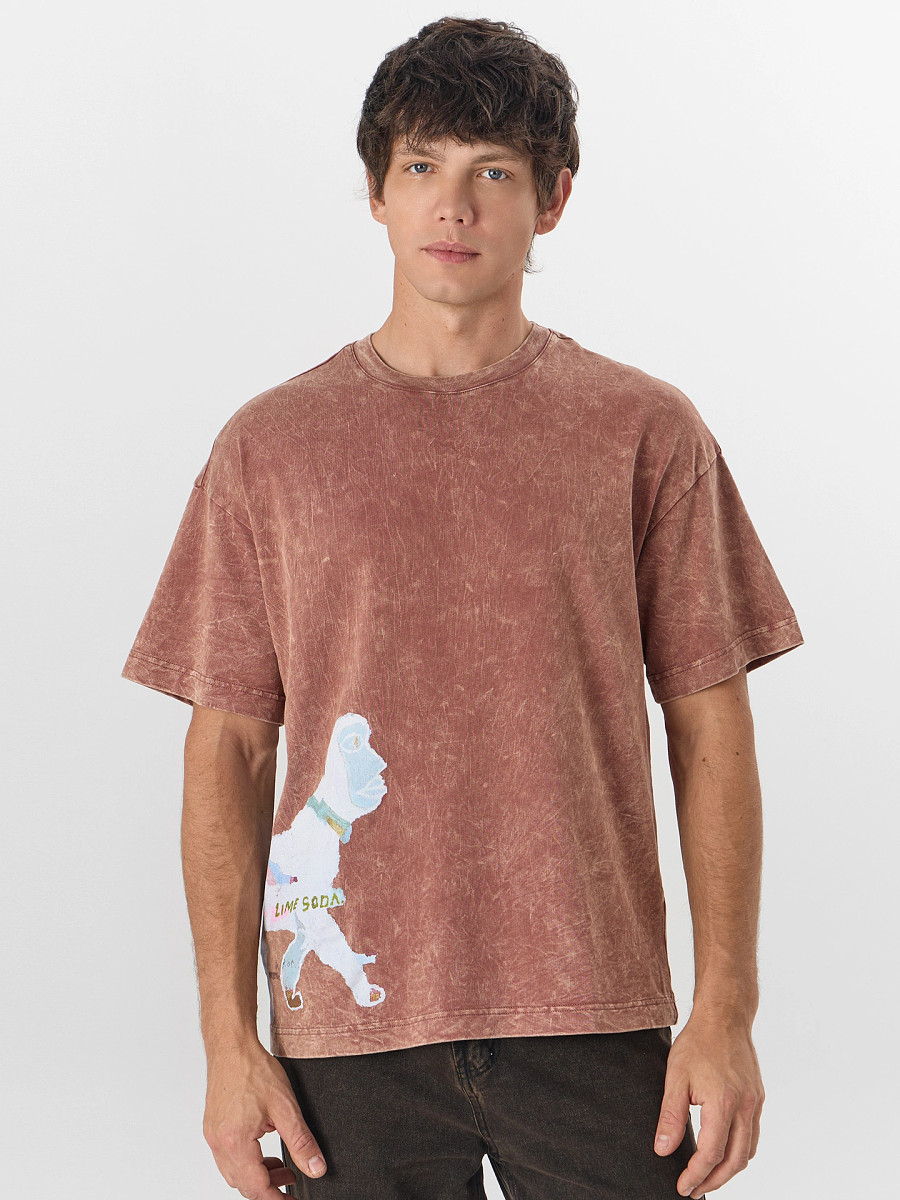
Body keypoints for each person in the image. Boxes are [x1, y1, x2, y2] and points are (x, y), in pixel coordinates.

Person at [121, 16, 804, 1200]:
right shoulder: (269, 449)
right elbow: (228, 749)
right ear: (377, 194)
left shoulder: (643, 433)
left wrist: (727, 1012)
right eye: (422, 166)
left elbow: (711, 728)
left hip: (595, 1019)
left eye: (493, 172)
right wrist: (228, 1044)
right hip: (346, 1031)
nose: (453, 205)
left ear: (553, 201)